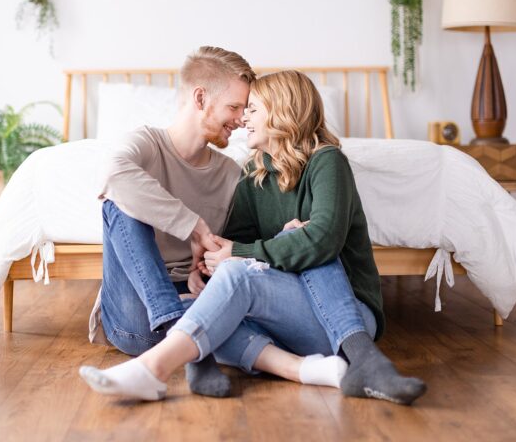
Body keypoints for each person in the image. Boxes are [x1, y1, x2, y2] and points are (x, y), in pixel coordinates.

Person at [81, 70, 428, 406]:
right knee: (210, 299)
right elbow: (233, 242)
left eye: (252, 109)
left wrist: (247, 250)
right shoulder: (253, 172)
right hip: (287, 316)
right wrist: (203, 268)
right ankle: (309, 369)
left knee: (287, 248)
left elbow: (320, 242)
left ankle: (152, 369)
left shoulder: (327, 162)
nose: (242, 119)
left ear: (282, 112)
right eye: (239, 108)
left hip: (345, 315)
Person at [91, 46, 255, 398]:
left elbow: (234, 251)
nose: (242, 119)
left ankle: (183, 338)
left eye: (245, 109)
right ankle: (178, 332)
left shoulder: (231, 174)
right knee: (117, 202)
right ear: (200, 97)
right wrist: (192, 224)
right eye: (234, 107)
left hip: (194, 302)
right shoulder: (146, 144)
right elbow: (112, 175)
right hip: (136, 318)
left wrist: (207, 268)